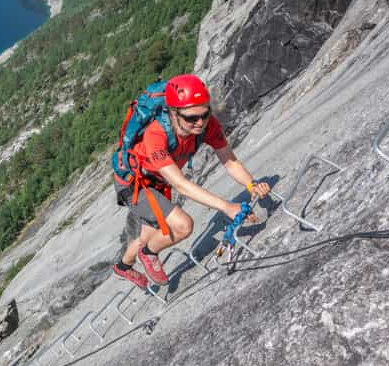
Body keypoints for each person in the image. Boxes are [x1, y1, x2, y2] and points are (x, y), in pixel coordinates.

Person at [112, 74, 270, 288]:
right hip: (134, 184)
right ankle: (149, 253)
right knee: (183, 226)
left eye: (205, 114)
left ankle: (123, 267)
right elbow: (180, 184)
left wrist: (251, 184)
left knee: (148, 235)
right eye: (191, 118)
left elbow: (230, 161)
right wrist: (226, 207)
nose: (200, 122)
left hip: (158, 180)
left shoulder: (207, 125)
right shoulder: (155, 135)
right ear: (173, 113)